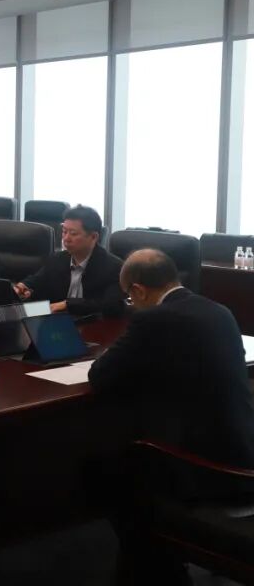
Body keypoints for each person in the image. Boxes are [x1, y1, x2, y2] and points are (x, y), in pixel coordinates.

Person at [87, 249, 254, 584]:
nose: (131, 305)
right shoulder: (218, 310)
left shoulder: (153, 320)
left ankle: (157, 572)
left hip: (211, 470)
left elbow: (100, 375)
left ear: (138, 290)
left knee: (103, 469)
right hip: (242, 448)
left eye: (129, 299)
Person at [14, 205, 124, 316]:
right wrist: (22, 287)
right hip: (54, 316)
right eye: (64, 232)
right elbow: (37, 280)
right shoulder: (57, 259)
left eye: (73, 233)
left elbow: (111, 305)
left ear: (94, 237)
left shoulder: (114, 267)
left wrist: (67, 305)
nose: (66, 238)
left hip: (90, 321)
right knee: (11, 313)